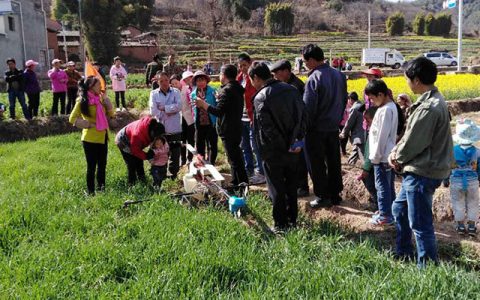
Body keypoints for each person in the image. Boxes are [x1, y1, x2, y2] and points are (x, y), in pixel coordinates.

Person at [389, 57, 453, 268]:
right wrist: (410, 107)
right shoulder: (431, 99)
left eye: (407, 78)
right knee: (399, 209)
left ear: (416, 80)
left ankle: (427, 268)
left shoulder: (428, 108)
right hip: (421, 170)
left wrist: (396, 158)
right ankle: (404, 253)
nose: (406, 81)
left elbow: (414, 142)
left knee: (420, 223)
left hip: (422, 171)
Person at [249, 62, 307, 233]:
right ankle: (293, 220)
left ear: (256, 78)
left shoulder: (261, 97)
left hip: (273, 151)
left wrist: (283, 146)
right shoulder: (291, 90)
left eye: (251, 80)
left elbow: (268, 129)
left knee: (276, 188)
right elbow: (303, 117)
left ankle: (281, 224)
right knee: (291, 185)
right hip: (293, 149)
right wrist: (297, 141)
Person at [302, 44, 347, 208]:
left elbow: (308, 108)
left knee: (316, 163)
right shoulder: (339, 75)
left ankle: (322, 195)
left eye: (305, 62)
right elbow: (343, 101)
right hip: (333, 127)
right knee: (334, 161)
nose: (305, 65)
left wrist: (304, 128)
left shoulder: (314, 78)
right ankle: (335, 194)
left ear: (312, 60)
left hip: (316, 128)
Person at [196, 64, 248, 186]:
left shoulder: (227, 90)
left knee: (234, 158)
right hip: (235, 126)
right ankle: (238, 181)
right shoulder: (236, 88)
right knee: (236, 157)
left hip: (228, 128)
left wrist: (204, 104)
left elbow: (218, 112)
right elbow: (228, 106)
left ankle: (241, 184)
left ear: (223, 75)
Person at [270, 59, 310, 197]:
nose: (275, 76)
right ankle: (295, 185)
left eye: (277, 73)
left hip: (297, 129)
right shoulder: (285, 84)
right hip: (288, 129)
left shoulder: (295, 86)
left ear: (286, 72)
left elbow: (299, 111)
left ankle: (302, 187)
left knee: (299, 159)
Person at [69, 76, 114, 195]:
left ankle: (101, 189)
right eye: (98, 84)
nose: (101, 87)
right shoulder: (82, 101)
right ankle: (90, 192)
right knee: (91, 167)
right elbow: (72, 118)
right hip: (89, 139)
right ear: (91, 87)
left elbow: (110, 115)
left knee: (102, 165)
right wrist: (87, 124)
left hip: (103, 136)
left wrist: (107, 102)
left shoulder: (100, 99)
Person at [365, 80, 398, 226]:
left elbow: (381, 137)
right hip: (387, 155)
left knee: (382, 186)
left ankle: (385, 215)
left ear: (380, 94)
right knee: (388, 185)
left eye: (372, 98)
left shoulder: (385, 110)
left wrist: (376, 158)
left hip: (382, 156)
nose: (371, 102)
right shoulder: (390, 107)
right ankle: (390, 211)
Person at [446, 119, 480, 236]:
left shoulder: (452, 151)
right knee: (473, 203)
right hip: (472, 181)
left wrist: (446, 179)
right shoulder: (477, 152)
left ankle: (460, 226)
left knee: (458, 203)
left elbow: (448, 167)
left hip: (456, 181)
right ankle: (471, 227)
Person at [237, 53, 265, 184]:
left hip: (252, 116)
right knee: (245, 146)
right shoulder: (238, 79)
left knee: (256, 146)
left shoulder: (254, 78)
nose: (243, 68)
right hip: (241, 118)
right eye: (240, 65)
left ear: (250, 64)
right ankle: (249, 169)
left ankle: (261, 172)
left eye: (245, 65)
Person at [150, 72, 183, 179]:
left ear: (169, 80)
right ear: (157, 82)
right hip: (162, 129)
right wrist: (169, 111)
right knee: (161, 153)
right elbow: (153, 110)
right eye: (161, 81)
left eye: (166, 80)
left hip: (175, 128)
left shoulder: (176, 92)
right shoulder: (154, 94)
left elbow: (179, 106)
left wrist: (164, 108)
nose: (164, 83)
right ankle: (162, 176)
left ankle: (173, 174)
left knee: (175, 153)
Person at [116, 117, 165, 185]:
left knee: (139, 161)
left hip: (133, 140)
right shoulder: (137, 135)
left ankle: (142, 181)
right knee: (131, 164)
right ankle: (132, 184)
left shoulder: (151, 128)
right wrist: (146, 156)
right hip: (123, 141)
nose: (156, 139)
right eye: (156, 137)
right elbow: (135, 150)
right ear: (152, 132)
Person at [190, 71, 218, 165]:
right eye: (198, 80)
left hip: (211, 122)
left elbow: (216, 106)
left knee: (212, 145)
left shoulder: (213, 91)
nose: (201, 82)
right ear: (195, 82)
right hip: (199, 123)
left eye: (202, 80)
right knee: (199, 145)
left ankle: (211, 164)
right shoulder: (193, 94)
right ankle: (202, 164)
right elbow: (193, 108)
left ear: (206, 81)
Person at [357, 107, 379, 212]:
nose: (365, 122)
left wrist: (365, 168)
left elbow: (371, 152)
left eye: (367, 120)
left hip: (372, 164)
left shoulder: (375, 132)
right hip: (373, 163)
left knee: (371, 185)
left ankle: (376, 205)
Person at [340, 92, 365, 165]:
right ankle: (350, 164)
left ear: (350, 99)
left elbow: (349, 123)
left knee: (363, 157)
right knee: (355, 150)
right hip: (363, 134)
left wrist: (343, 133)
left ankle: (367, 172)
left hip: (359, 135)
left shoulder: (354, 108)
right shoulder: (362, 105)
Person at [180, 71, 195, 165]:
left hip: (191, 118)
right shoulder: (184, 89)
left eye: (189, 77)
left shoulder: (196, 88)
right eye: (185, 79)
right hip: (182, 117)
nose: (188, 80)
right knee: (182, 139)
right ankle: (183, 159)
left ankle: (190, 158)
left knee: (191, 139)